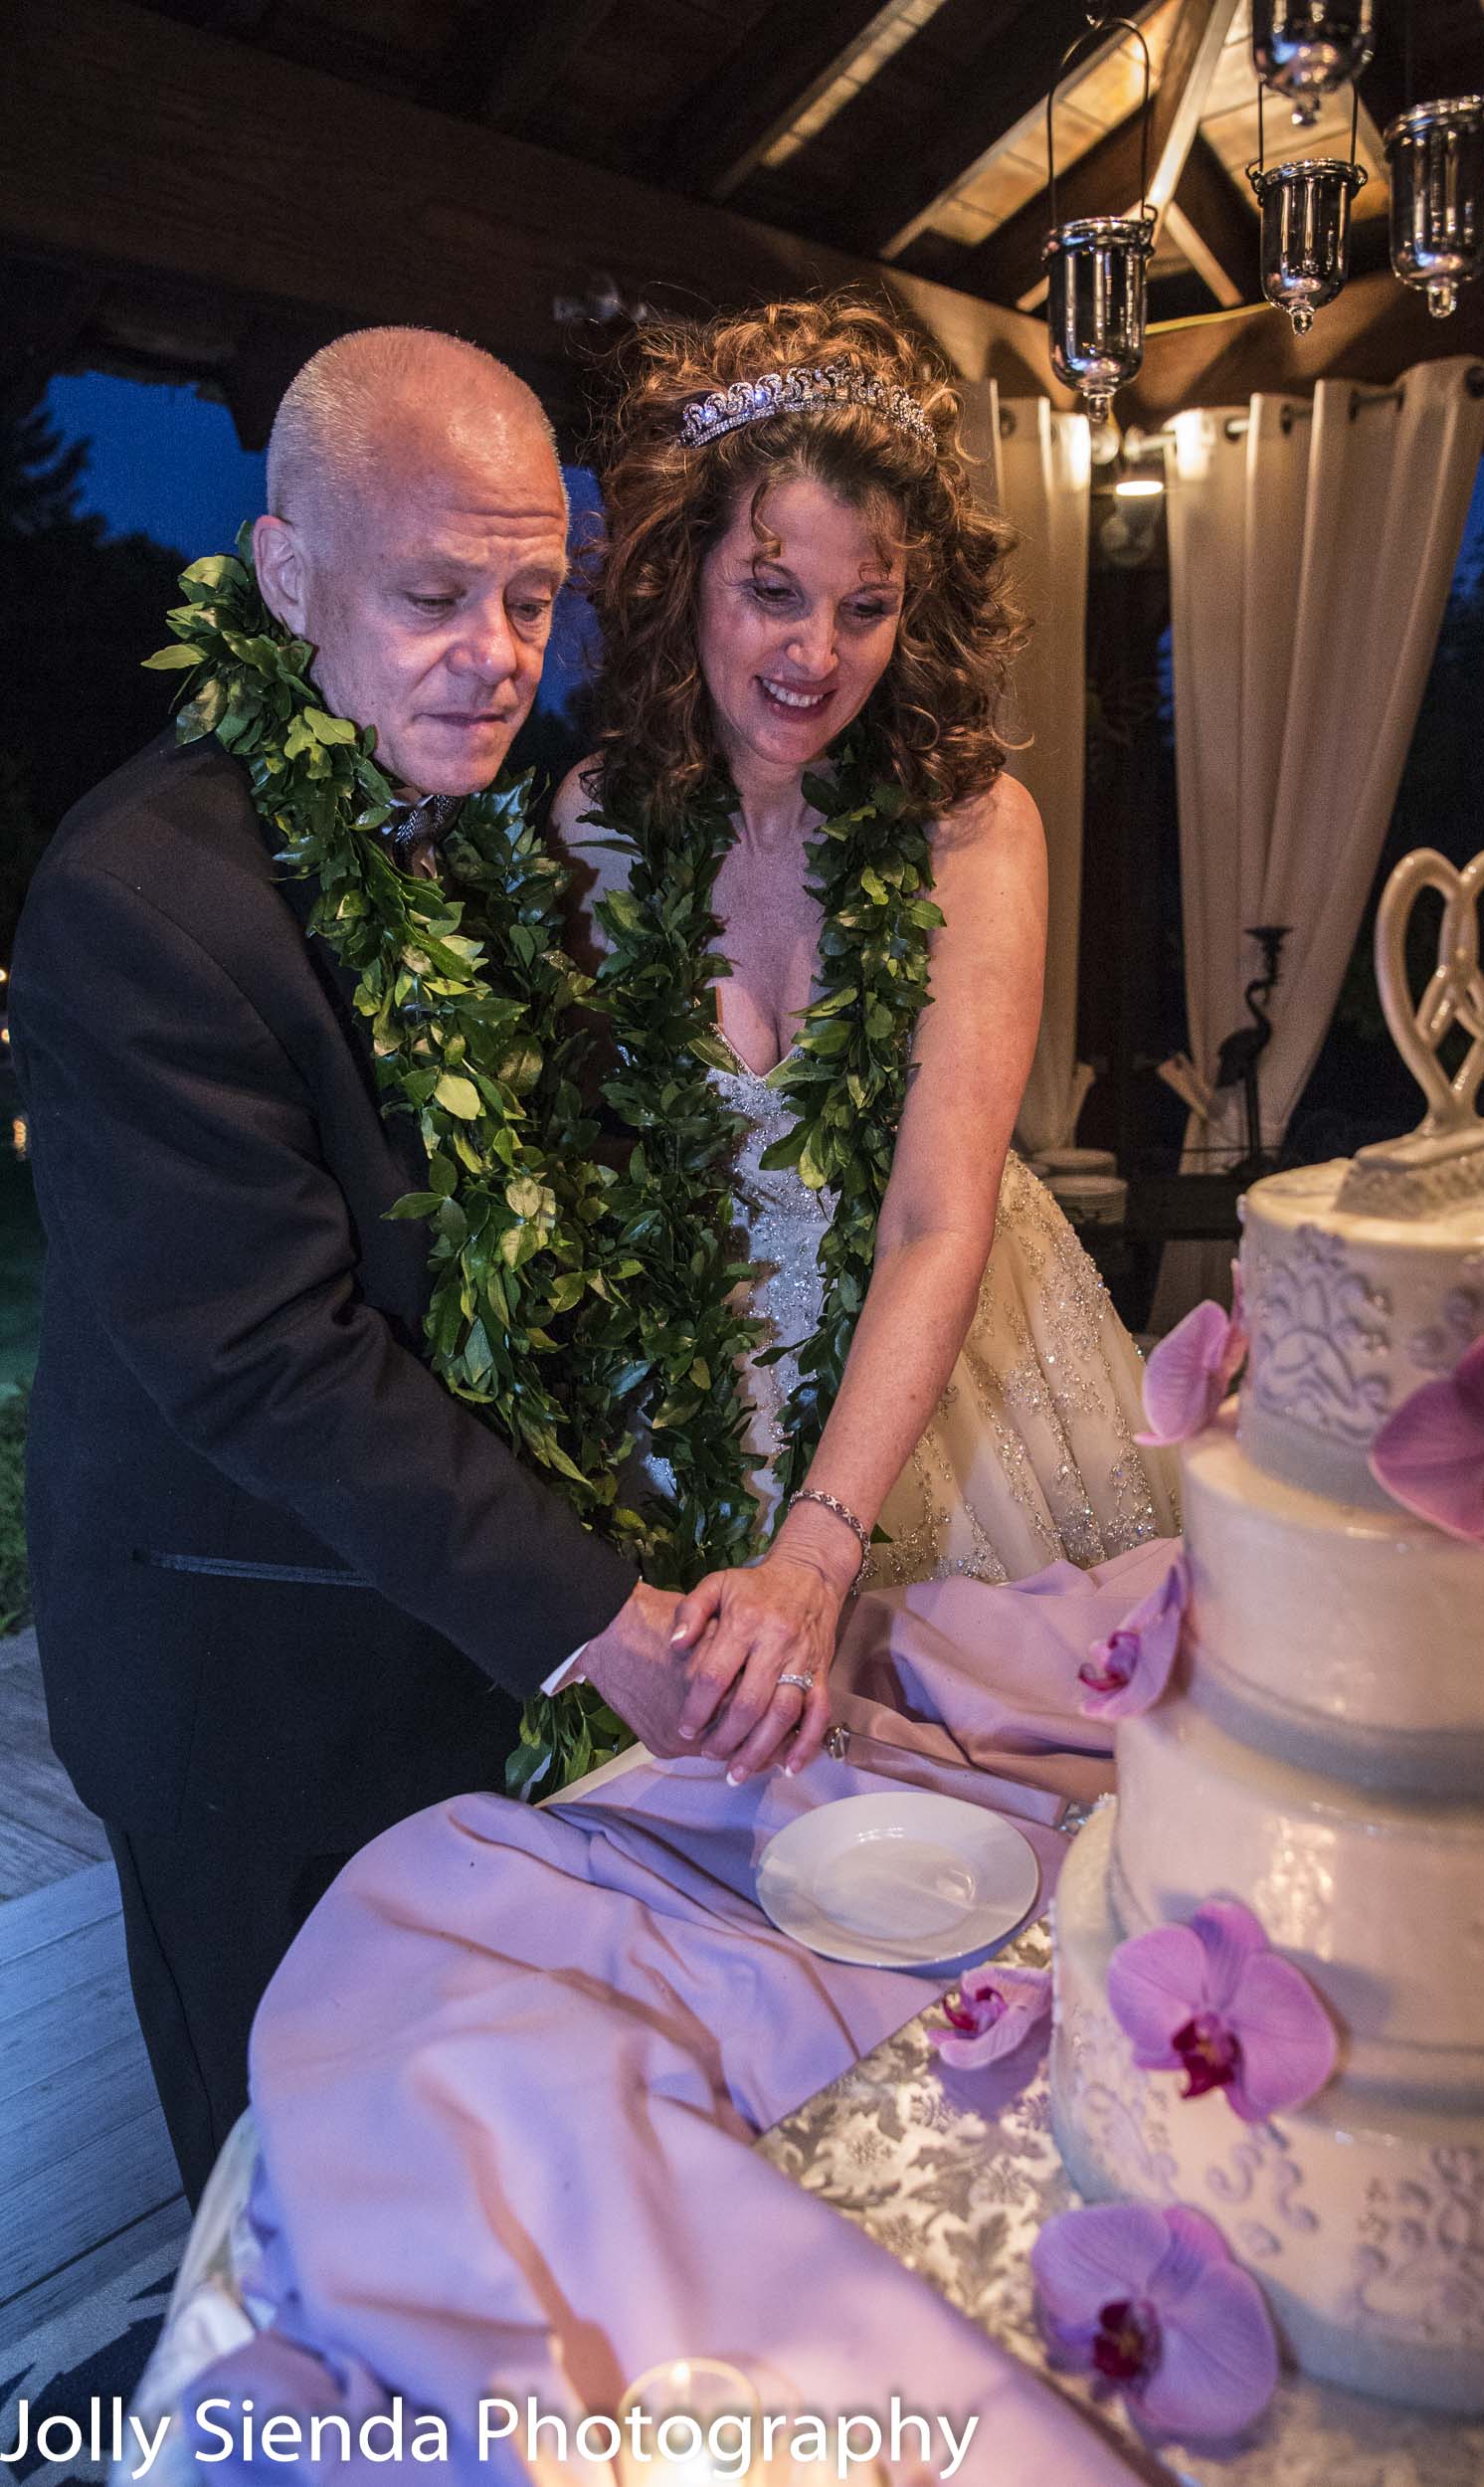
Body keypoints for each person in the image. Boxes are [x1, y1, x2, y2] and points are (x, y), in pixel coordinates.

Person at [9, 328, 708, 2209]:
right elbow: (268, 1363)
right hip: (253, 1687)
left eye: (530, 598)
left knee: (486, 2193)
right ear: (282, 573)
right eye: (433, 595)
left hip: (455, 1650)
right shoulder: (138, 897)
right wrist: (611, 1619)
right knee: (304, 2223)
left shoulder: (476, 828)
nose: (497, 654)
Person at [557, 297, 1177, 1786]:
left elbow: (934, 1210)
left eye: (866, 605)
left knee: (1007, 1823)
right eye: (772, 589)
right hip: (701, 1392)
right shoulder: (596, 823)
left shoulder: (974, 826)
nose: (814, 653)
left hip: (950, 1362)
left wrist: (817, 1551)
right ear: (683, 566)